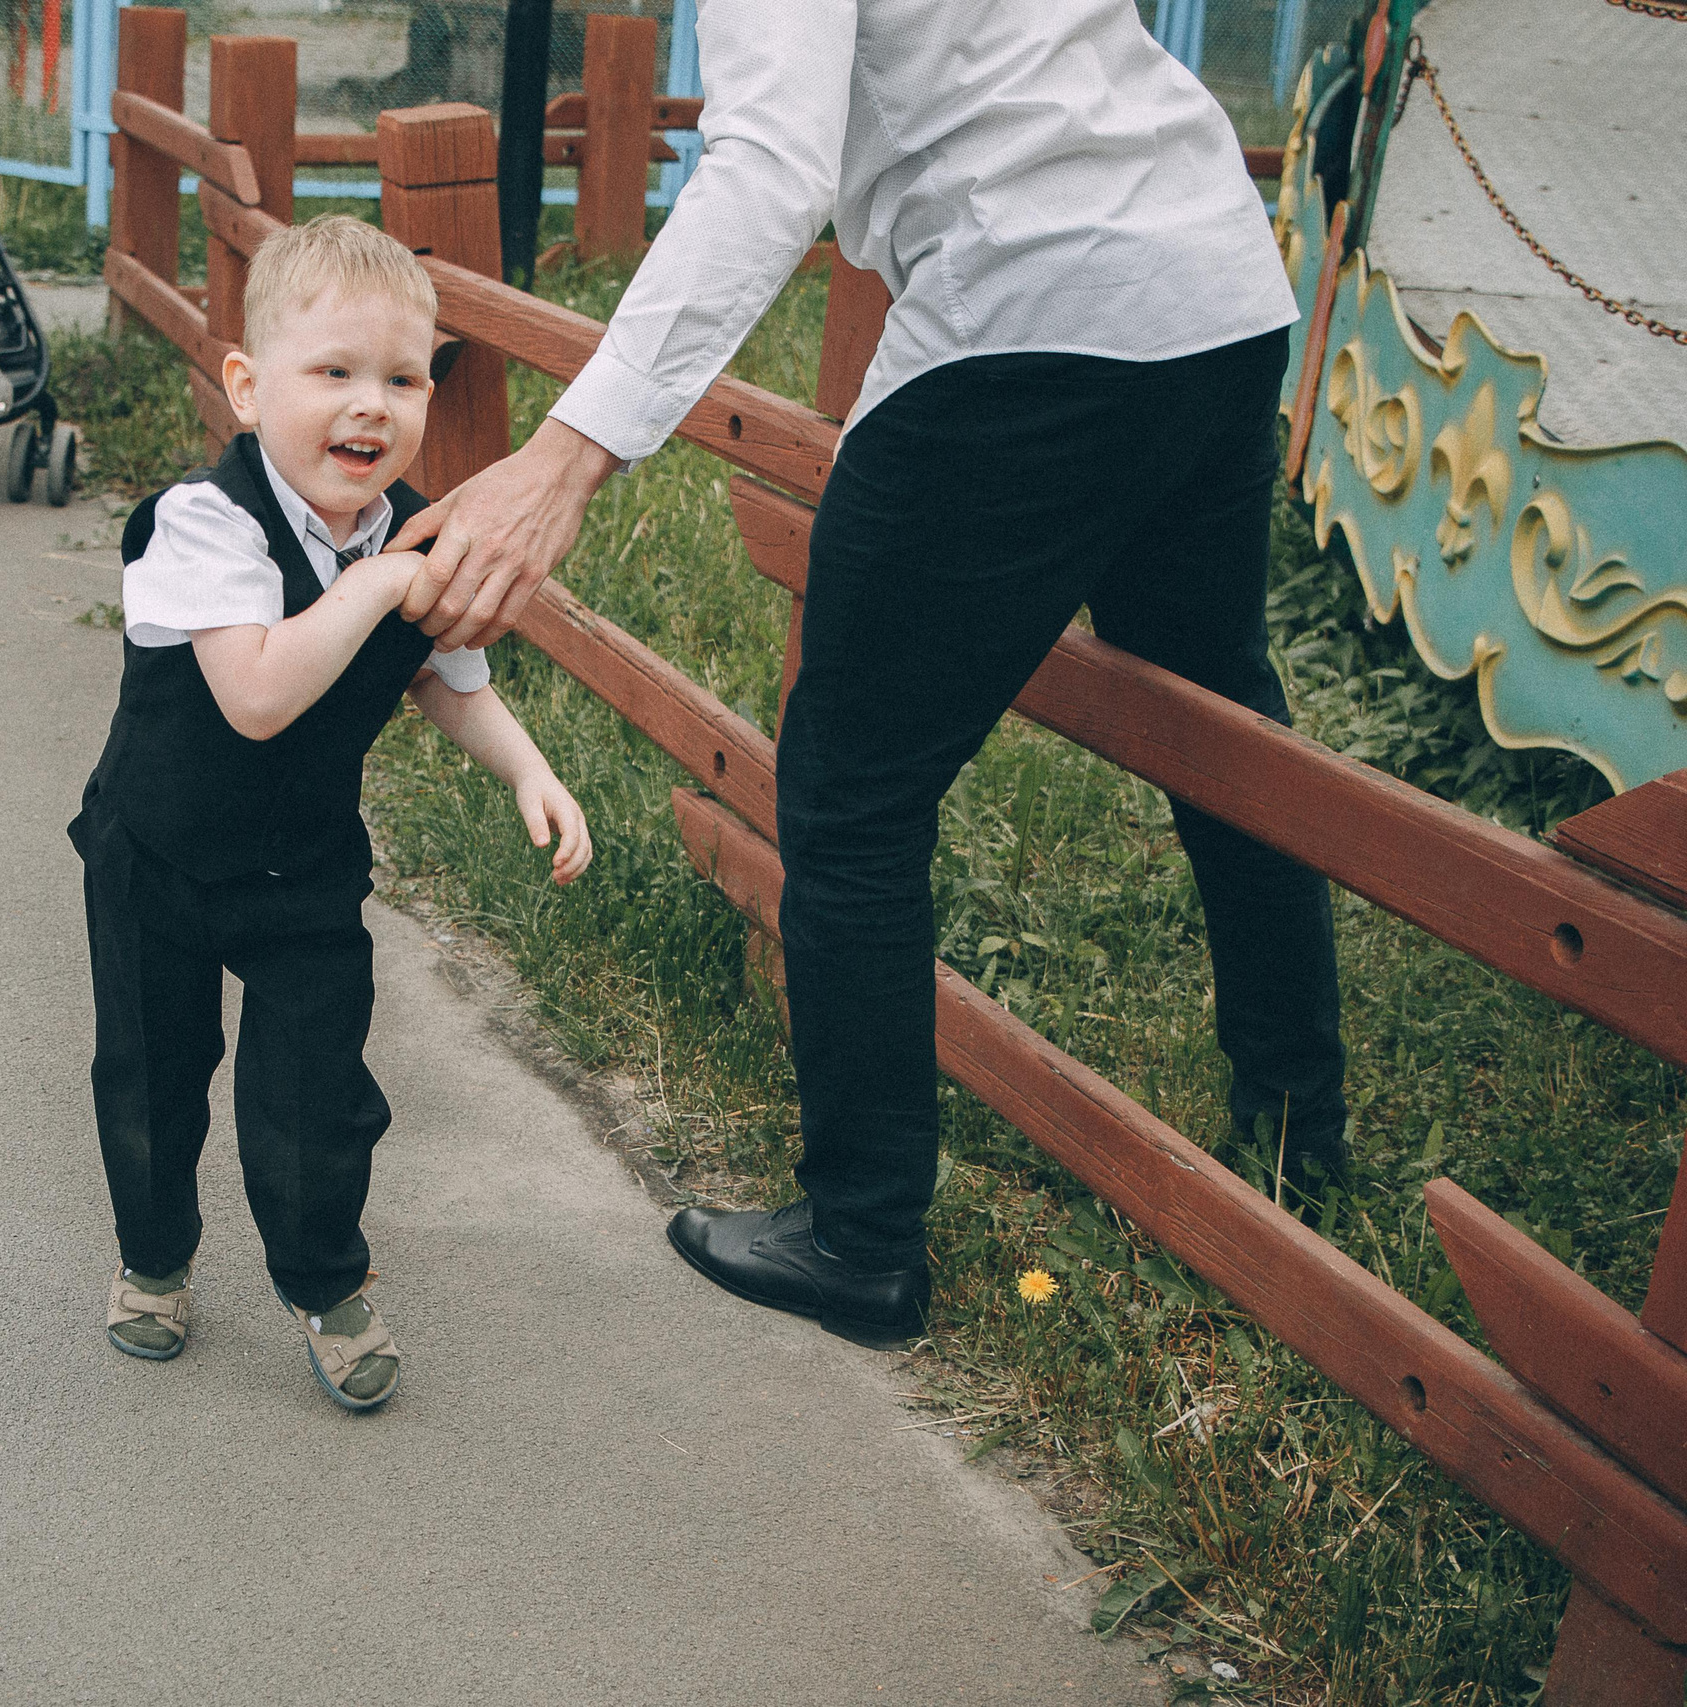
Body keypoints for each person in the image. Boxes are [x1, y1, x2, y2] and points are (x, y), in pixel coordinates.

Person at [391, 0, 1349, 1346]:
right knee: (1214, 707)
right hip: (1214, 287)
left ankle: (862, 1232)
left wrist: (569, 453)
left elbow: (771, 166)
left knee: (850, 785)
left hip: (1033, 308)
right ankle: (1300, 1137)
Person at [69, 214, 595, 1409]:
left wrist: (525, 768)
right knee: (152, 1075)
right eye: (335, 373)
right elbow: (256, 695)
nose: (372, 407)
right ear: (250, 390)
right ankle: (154, 1260)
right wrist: (378, 583)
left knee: (315, 1094)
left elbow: (439, 675)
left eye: (402, 380)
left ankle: (325, 1281)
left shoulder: (406, 535)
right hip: (155, 855)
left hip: (300, 869)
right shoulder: (199, 525)